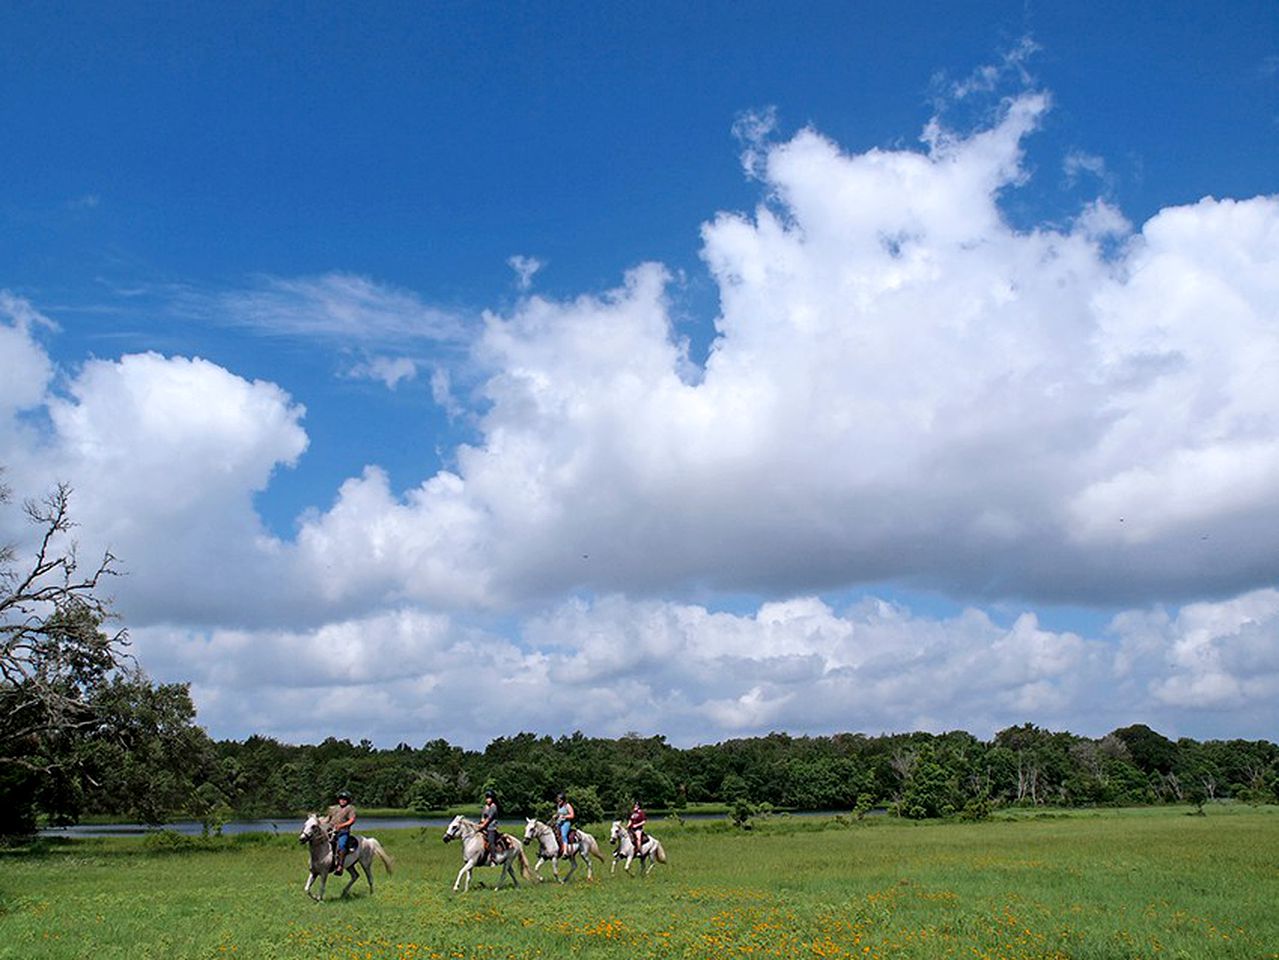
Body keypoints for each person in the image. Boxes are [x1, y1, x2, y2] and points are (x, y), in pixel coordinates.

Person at [326, 790, 357, 875]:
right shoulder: (334, 808)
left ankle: (340, 866)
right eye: (341, 799)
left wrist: (341, 825)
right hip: (331, 831)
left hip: (343, 832)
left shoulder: (350, 808)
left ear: (348, 800)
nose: (342, 800)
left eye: (345, 799)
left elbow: (352, 820)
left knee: (342, 845)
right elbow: (328, 819)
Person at [476, 789, 499, 865]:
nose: (487, 800)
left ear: (492, 799)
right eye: (487, 798)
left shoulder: (493, 807)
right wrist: (480, 824)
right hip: (484, 826)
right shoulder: (485, 807)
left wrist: (482, 825)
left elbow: (489, 819)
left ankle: (493, 858)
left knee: (490, 841)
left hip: (491, 827)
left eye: (489, 798)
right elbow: (483, 817)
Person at [554, 791, 575, 857]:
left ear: (563, 800)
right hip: (558, 823)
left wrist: (564, 816)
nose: (558, 801)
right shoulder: (558, 806)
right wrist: (555, 816)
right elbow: (558, 814)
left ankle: (565, 851)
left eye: (560, 800)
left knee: (563, 835)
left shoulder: (567, 806)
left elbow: (572, 815)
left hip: (565, 823)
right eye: (558, 800)